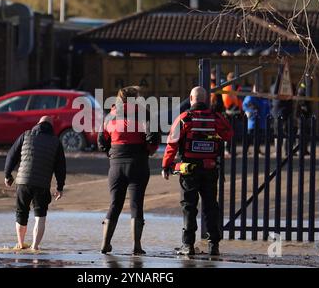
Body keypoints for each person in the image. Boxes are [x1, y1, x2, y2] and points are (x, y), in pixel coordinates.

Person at [161, 87, 233, 256]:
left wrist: (166, 166)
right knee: (210, 207)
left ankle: (188, 245)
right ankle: (213, 245)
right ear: (206, 100)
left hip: (189, 171)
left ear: (191, 98)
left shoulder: (185, 118)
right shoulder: (216, 118)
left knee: (189, 207)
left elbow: (172, 144)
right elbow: (228, 134)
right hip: (210, 169)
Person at [98, 86, 161, 255]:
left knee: (114, 204)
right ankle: (136, 246)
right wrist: (148, 151)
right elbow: (153, 137)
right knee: (136, 204)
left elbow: (101, 141)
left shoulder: (110, 116)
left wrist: (111, 154)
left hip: (116, 165)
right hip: (138, 163)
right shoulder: (144, 114)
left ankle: (105, 244)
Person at [4, 116, 66, 251]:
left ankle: (20, 244)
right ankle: (35, 247)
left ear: (38, 124)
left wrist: (8, 175)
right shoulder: (56, 142)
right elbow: (60, 167)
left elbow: (11, 155)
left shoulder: (26, 135)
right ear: (51, 127)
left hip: (22, 183)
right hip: (42, 185)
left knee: (21, 213)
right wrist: (60, 187)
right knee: (40, 216)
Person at [242, 85, 270, 153]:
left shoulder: (264, 98)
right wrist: (251, 111)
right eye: (256, 89)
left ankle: (257, 150)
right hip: (252, 121)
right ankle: (245, 150)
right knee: (249, 136)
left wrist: (268, 115)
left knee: (258, 137)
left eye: (259, 89)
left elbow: (267, 108)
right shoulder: (250, 97)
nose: (258, 91)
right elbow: (244, 106)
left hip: (262, 121)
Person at [222, 72, 242, 156]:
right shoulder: (227, 88)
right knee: (228, 132)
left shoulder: (236, 88)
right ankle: (227, 150)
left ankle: (231, 150)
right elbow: (227, 101)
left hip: (236, 113)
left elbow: (239, 100)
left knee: (234, 133)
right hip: (229, 113)